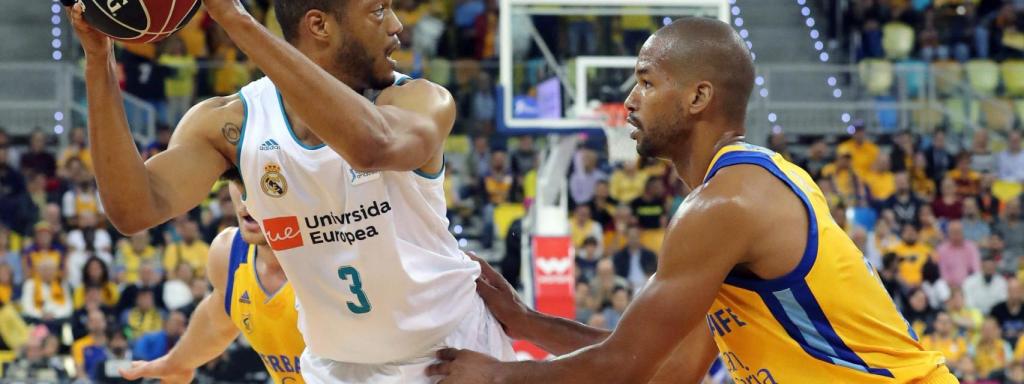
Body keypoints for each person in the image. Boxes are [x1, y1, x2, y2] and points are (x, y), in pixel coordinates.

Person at [429, 18, 953, 383]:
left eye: (646, 81)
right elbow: (667, 368)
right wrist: (526, 323)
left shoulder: (726, 205)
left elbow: (623, 370)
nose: (630, 99)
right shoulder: (739, 194)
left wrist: (499, 375)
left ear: (698, 97)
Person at [68, 0, 514, 380]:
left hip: (456, 358)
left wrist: (239, 21)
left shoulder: (421, 99)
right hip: (335, 367)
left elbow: (373, 146)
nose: (397, 25)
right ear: (319, 26)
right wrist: (97, 62)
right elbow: (133, 209)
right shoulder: (232, 122)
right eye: (379, 10)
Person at [122, 174, 306, 383]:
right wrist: (176, 363)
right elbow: (215, 324)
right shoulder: (229, 254)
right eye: (240, 178)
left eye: (263, 179)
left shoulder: (338, 256)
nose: (247, 195)